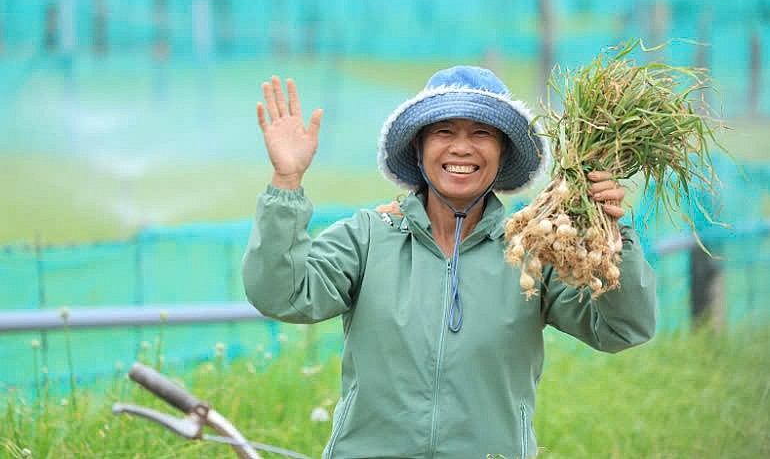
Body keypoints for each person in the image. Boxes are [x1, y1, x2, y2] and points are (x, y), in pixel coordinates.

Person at [242, 66, 658, 458]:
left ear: (502, 152)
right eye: (443, 131)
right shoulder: (369, 237)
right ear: (419, 149)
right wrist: (287, 182)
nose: (462, 147)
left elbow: (623, 328)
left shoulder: (534, 250)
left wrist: (610, 234)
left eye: (481, 133)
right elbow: (282, 295)